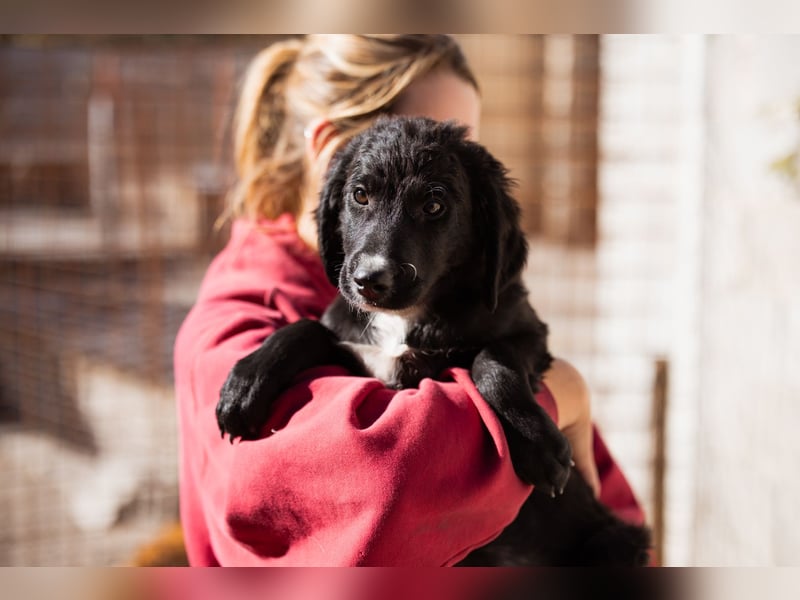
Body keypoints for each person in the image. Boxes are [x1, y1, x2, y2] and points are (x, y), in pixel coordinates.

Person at [174, 34, 645, 566]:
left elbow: (606, 500)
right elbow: (385, 484)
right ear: (334, 152)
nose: (451, 152)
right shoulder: (234, 323)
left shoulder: (462, 301)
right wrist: (564, 396)